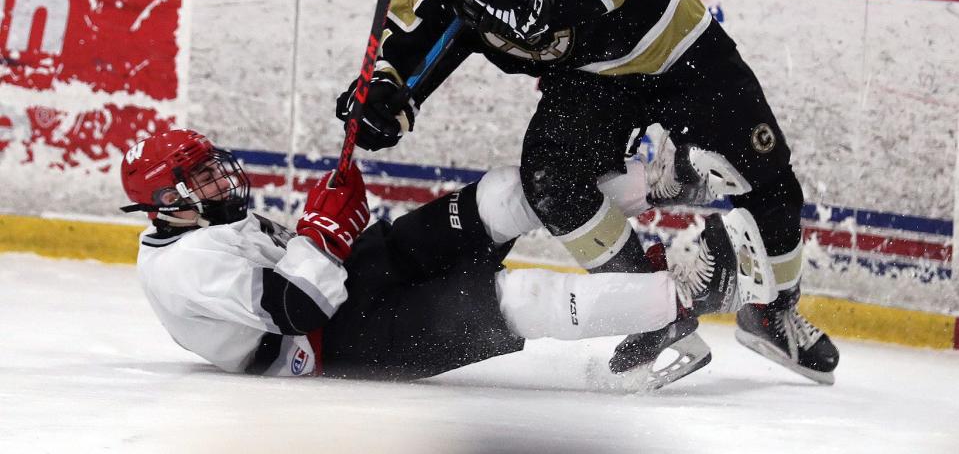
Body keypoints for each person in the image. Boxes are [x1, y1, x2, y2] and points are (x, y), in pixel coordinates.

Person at [334, 0, 838, 384]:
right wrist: (377, 103)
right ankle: (651, 308)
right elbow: (398, 58)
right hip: (593, 77)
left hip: (667, 36)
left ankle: (773, 312)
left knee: (767, 177)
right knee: (551, 179)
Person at [120, 128, 773, 388]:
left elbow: (305, 263)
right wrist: (321, 229)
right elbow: (294, 304)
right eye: (201, 177)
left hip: (353, 278)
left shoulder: (214, 220)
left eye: (211, 168)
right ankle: (691, 294)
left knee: (506, 192)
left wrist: (334, 228)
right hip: (336, 341)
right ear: (166, 201)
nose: (220, 180)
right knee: (518, 302)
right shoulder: (183, 266)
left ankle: (656, 181)